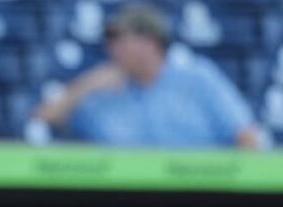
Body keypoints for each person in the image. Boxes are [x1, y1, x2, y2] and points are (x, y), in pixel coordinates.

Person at [34, 2, 260, 148]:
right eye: (110, 40)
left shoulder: (197, 79)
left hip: (200, 195)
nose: (111, 48)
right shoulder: (100, 88)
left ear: (150, 43)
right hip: (121, 198)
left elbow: (247, 136)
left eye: (120, 39)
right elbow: (44, 118)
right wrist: (86, 85)